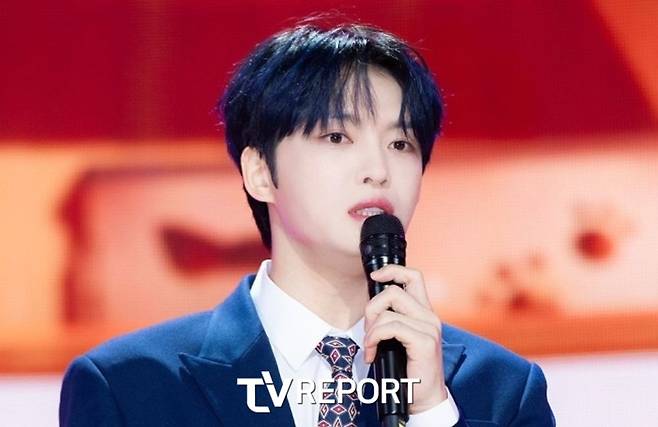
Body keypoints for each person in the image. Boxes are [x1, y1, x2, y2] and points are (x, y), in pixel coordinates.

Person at [60, 23, 555, 426]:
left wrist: (429, 414)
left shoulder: (502, 391)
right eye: (337, 137)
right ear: (260, 172)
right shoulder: (131, 387)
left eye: (401, 143)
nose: (378, 169)